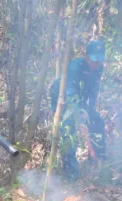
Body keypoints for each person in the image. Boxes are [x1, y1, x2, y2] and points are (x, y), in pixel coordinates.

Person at [49, 40, 106, 181]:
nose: (96, 64)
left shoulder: (99, 69)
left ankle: (98, 161)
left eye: (99, 60)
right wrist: (79, 120)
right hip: (62, 98)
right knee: (69, 130)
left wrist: (86, 114)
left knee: (97, 122)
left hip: (81, 100)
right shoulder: (75, 67)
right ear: (86, 56)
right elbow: (70, 93)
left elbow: (92, 93)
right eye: (94, 60)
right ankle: (71, 174)